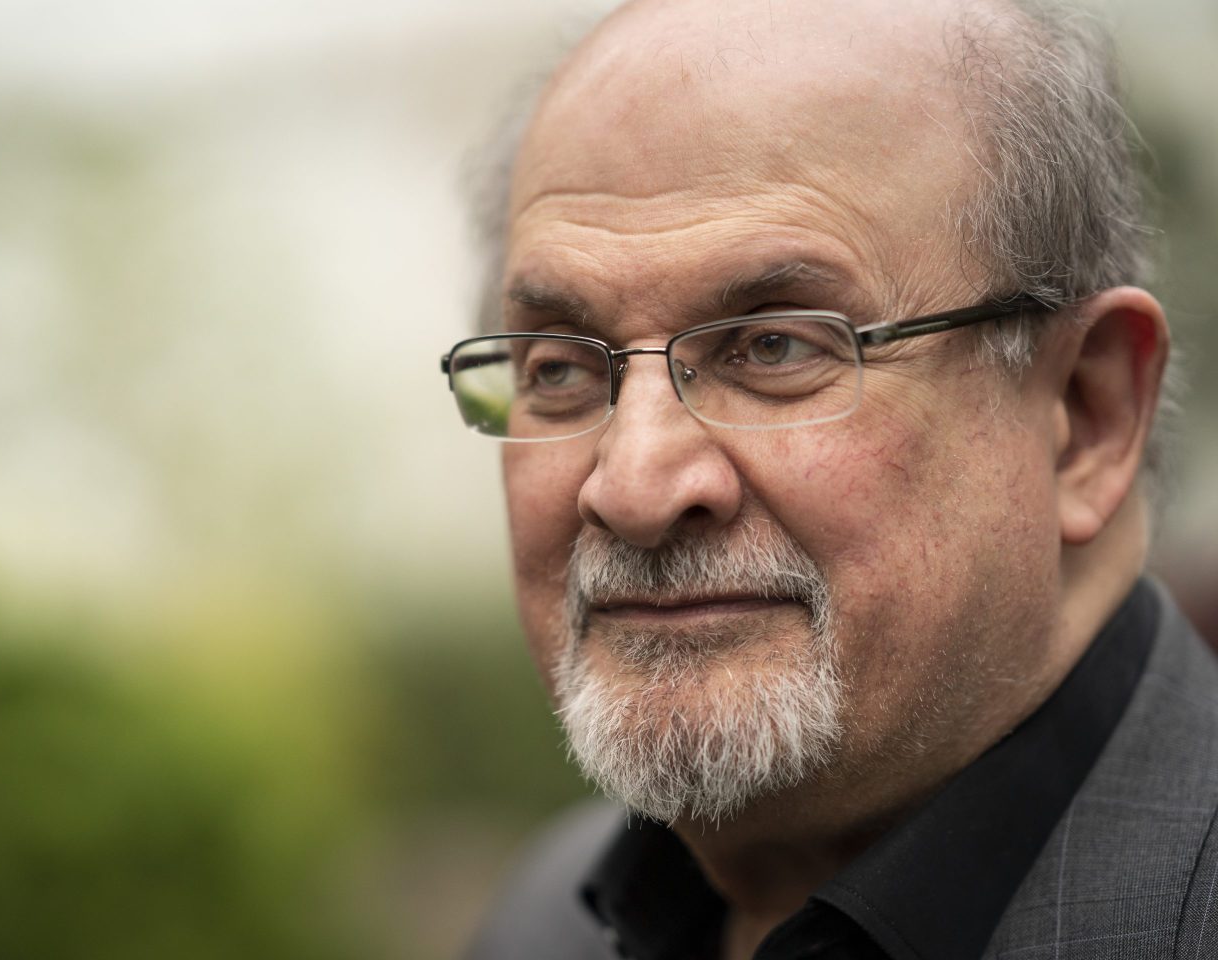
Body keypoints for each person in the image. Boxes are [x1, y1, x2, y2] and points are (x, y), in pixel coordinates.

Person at [439, 0, 1218, 957]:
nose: (634, 488)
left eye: (775, 346)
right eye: (560, 368)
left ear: (1087, 416)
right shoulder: (545, 923)